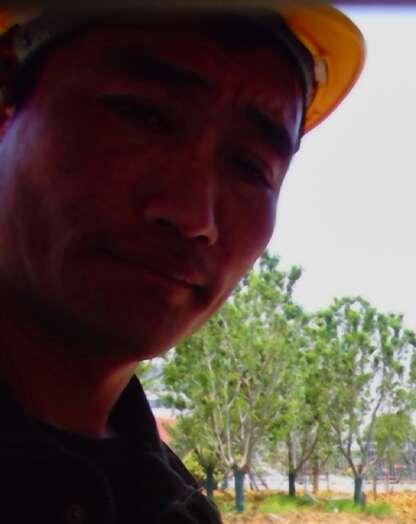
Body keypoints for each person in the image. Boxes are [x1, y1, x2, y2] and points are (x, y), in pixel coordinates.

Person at [0, 3, 365, 523]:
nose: (194, 216)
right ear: (7, 97)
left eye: (250, 167)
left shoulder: (177, 506)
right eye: (143, 116)